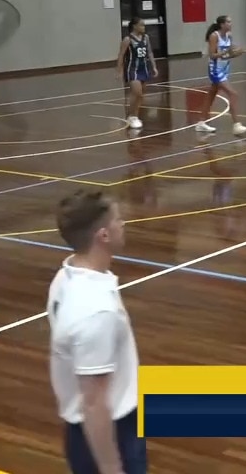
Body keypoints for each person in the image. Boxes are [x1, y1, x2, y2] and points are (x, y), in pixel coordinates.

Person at [48, 190, 145, 474]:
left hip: (87, 431)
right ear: (103, 235)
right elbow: (93, 402)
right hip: (111, 432)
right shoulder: (96, 311)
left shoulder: (66, 276)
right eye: (117, 219)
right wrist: (111, 466)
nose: (123, 223)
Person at [195, 15, 246, 135]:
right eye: (228, 22)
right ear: (222, 24)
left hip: (224, 69)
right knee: (233, 94)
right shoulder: (214, 36)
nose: (231, 24)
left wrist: (240, 52)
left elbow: (229, 55)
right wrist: (226, 51)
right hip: (215, 69)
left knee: (211, 95)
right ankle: (236, 125)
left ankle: (201, 123)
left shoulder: (229, 36)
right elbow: (212, 55)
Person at [116, 18, 157, 130]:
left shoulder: (146, 38)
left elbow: (149, 52)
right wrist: (119, 70)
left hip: (143, 68)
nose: (144, 27)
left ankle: (134, 115)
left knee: (141, 94)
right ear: (134, 26)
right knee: (137, 92)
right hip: (132, 69)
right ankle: (132, 116)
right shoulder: (128, 39)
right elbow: (121, 55)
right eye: (141, 25)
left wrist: (154, 66)